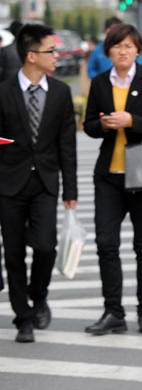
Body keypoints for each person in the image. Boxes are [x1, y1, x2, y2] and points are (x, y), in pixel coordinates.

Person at [82, 24, 142, 336]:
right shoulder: (100, 83)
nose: (122, 51)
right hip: (109, 175)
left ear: (138, 51)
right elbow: (89, 125)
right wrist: (103, 125)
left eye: (129, 46)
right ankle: (113, 312)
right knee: (106, 244)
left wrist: (130, 121)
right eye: (117, 46)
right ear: (108, 51)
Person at [0, 24, 78, 343]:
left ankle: (39, 294)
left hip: (46, 182)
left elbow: (66, 145)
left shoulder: (61, 92)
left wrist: (70, 190)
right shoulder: (3, 92)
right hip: (8, 184)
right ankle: (24, 318)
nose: (56, 56)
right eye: (51, 51)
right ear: (31, 56)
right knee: (14, 253)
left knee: (45, 247)